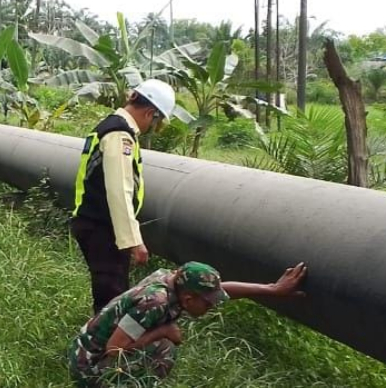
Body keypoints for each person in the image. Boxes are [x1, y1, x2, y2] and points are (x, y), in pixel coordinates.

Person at [68, 261, 308, 387]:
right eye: (208, 304)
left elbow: (223, 290)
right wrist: (162, 331)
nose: (212, 307)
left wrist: (272, 289)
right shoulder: (154, 302)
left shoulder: (174, 281)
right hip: (89, 365)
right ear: (188, 299)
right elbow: (114, 349)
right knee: (163, 349)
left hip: (90, 350)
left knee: (162, 345)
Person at [70, 79, 176, 314]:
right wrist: (133, 241)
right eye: (156, 122)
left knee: (111, 292)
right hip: (102, 227)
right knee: (112, 298)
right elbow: (119, 191)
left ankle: (105, 334)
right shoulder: (120, 135)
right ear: (150, 113)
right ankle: (102, 337)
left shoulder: (111, 127)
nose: (151, 128)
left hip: (96, 224)